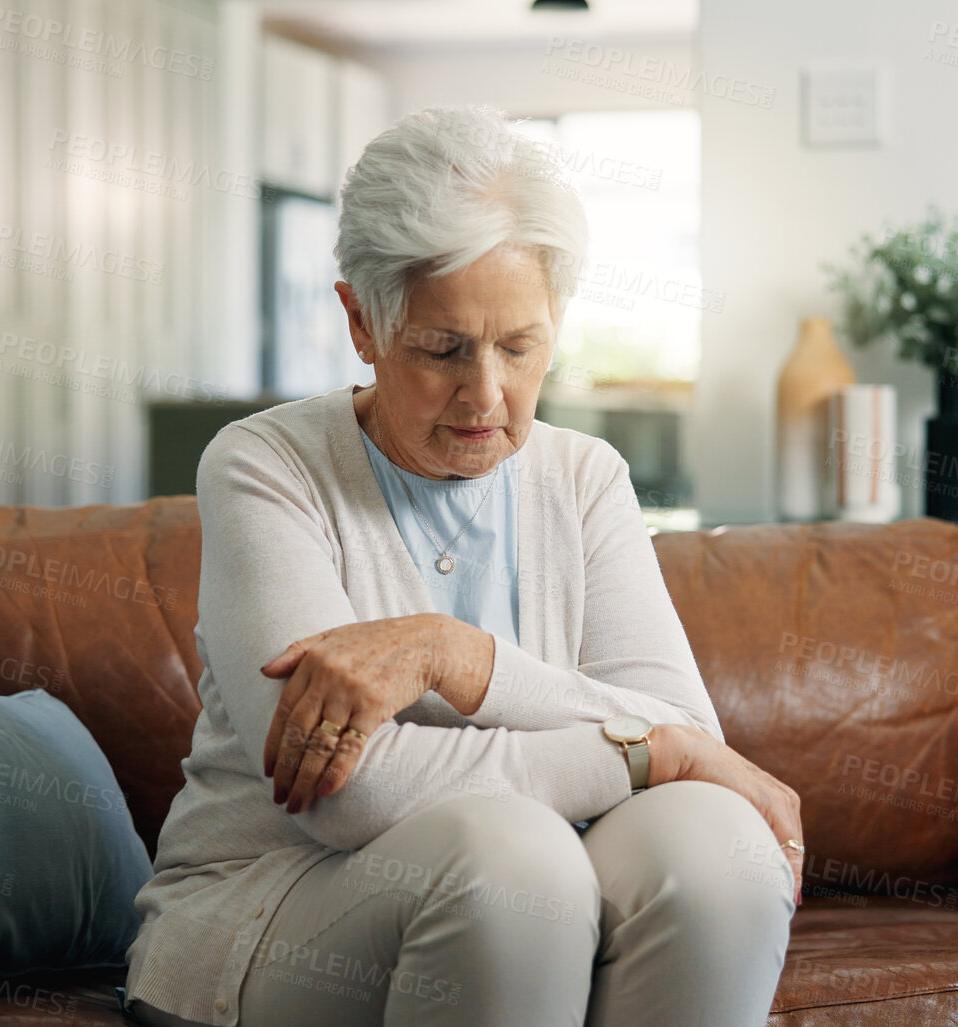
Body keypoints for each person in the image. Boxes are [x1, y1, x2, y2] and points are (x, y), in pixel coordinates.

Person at [121, 104, 802, 1027]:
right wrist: (644, 754)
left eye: (520, 347)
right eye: (443, 350)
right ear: (361, 323)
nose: (487, 396)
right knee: (515, 859)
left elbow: (683, 727)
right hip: (277, 900)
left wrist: (459, 657)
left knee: (718, 847)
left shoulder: (584, 476)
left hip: (540, 893)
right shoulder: (263, 465)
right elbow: (346, 792)